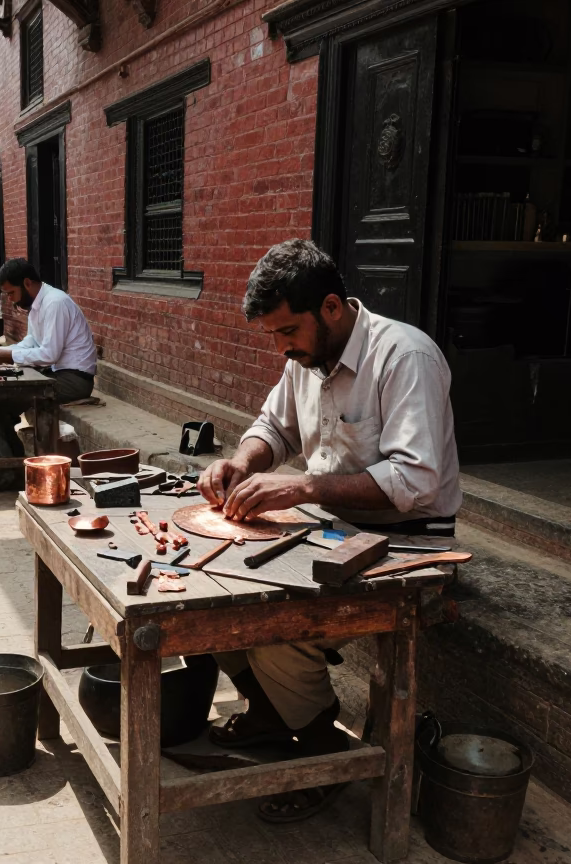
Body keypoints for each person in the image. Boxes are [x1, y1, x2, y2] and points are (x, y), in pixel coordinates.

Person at [197, 239, 461, 822]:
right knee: (203, 597)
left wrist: (303, 488)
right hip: (335, 528)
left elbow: (413, 480)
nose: (283, 347)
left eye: (288, 331)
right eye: (273, 336)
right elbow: (274, 427)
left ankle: (323, 752)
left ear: (333, 308)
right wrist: (243, 463)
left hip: (409, 540)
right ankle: (274, 714)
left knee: (275, 626)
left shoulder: (404, 357)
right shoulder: (306, 359)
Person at [0, 258, 97, 493]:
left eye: (11, 293)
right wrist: (3, 352)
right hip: (55, 373)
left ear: (27, 283)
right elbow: (32, 341)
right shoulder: (38, 305)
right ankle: (5, 464)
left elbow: (49, 353)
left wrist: (9, 356)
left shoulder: (55, 303)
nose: (10, 299)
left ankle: (8, 471)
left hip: (74, 380)